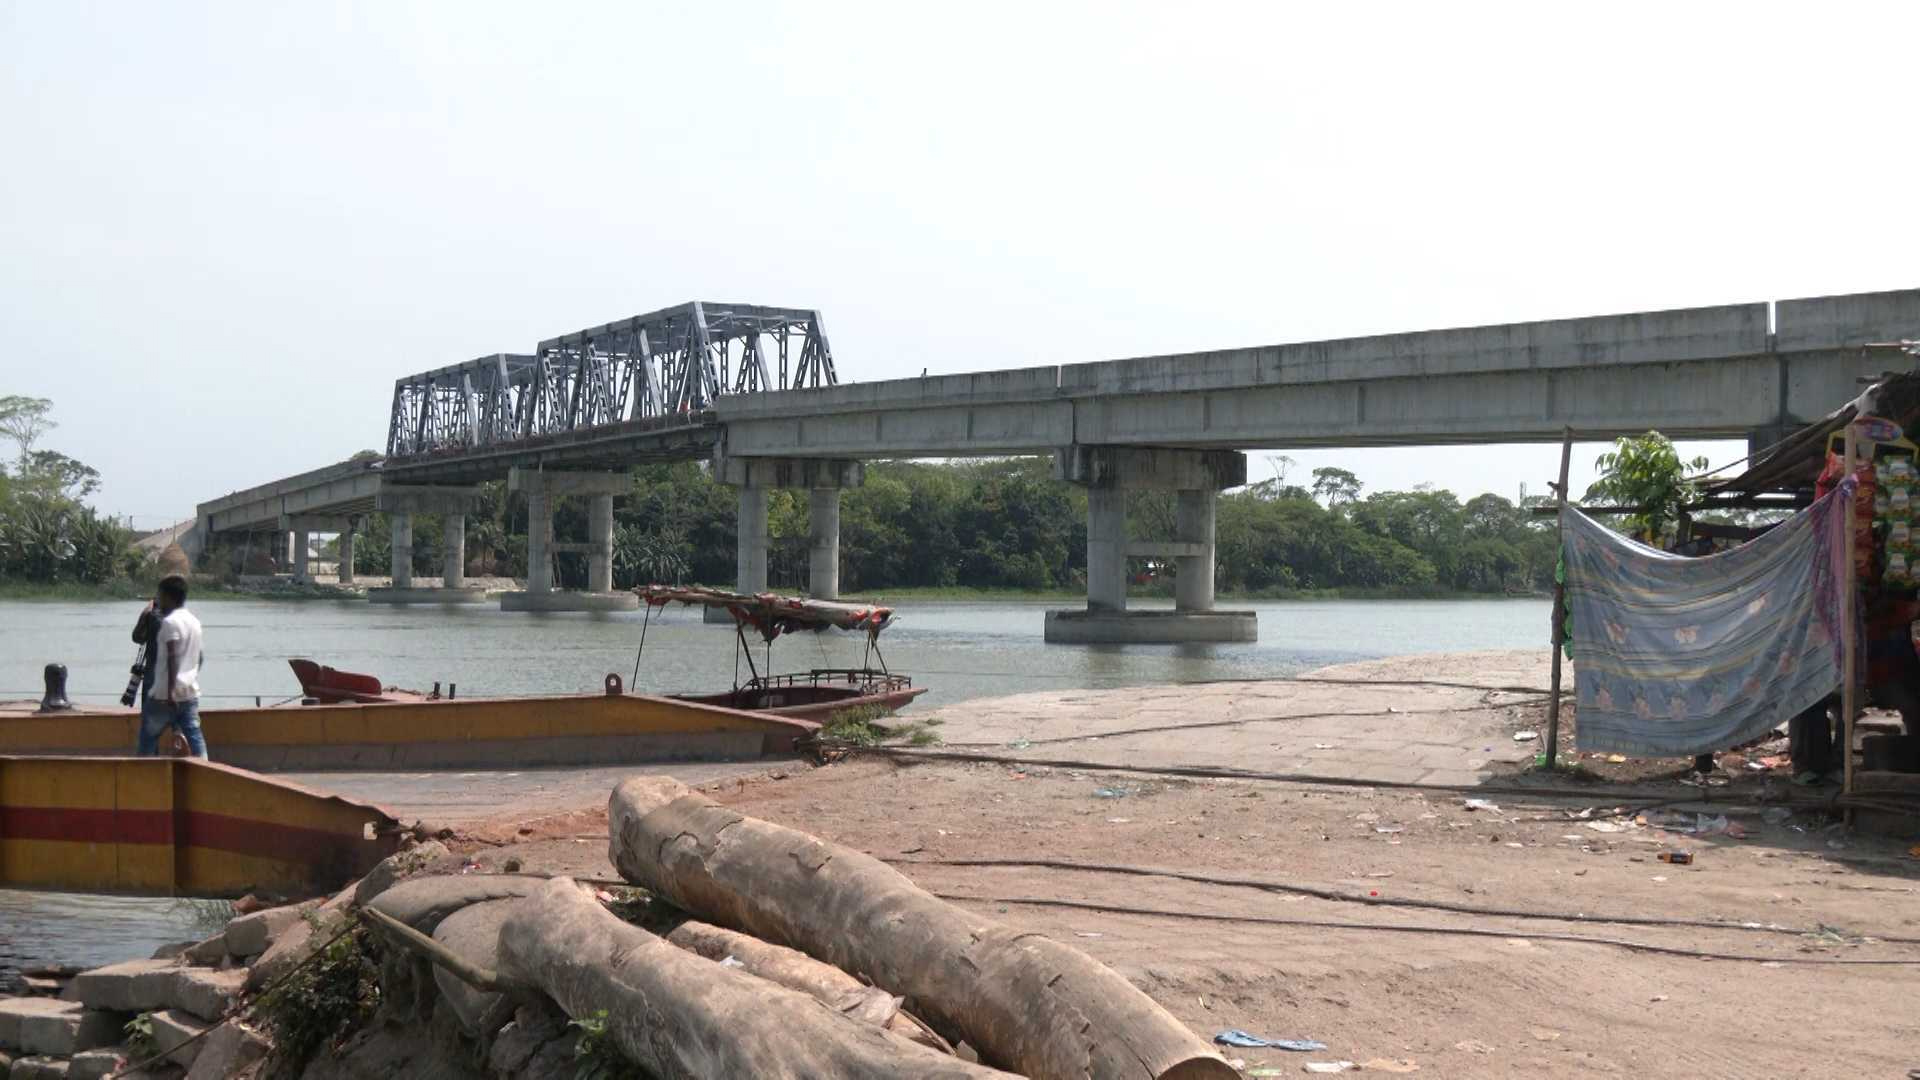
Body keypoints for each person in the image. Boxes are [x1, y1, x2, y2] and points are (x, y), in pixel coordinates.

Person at [139, 574, 207, 758]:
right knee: (195, 739)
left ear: (169, 597)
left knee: (147, 742)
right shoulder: (194, 621)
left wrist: (170, 693)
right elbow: (200, 657)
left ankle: (142, 779)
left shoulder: (170, 622)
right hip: (189, 693)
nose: (158, 599)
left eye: (160, 595)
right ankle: (206, 770)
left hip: (163, 696)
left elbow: (172, 657)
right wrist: (189, 679)